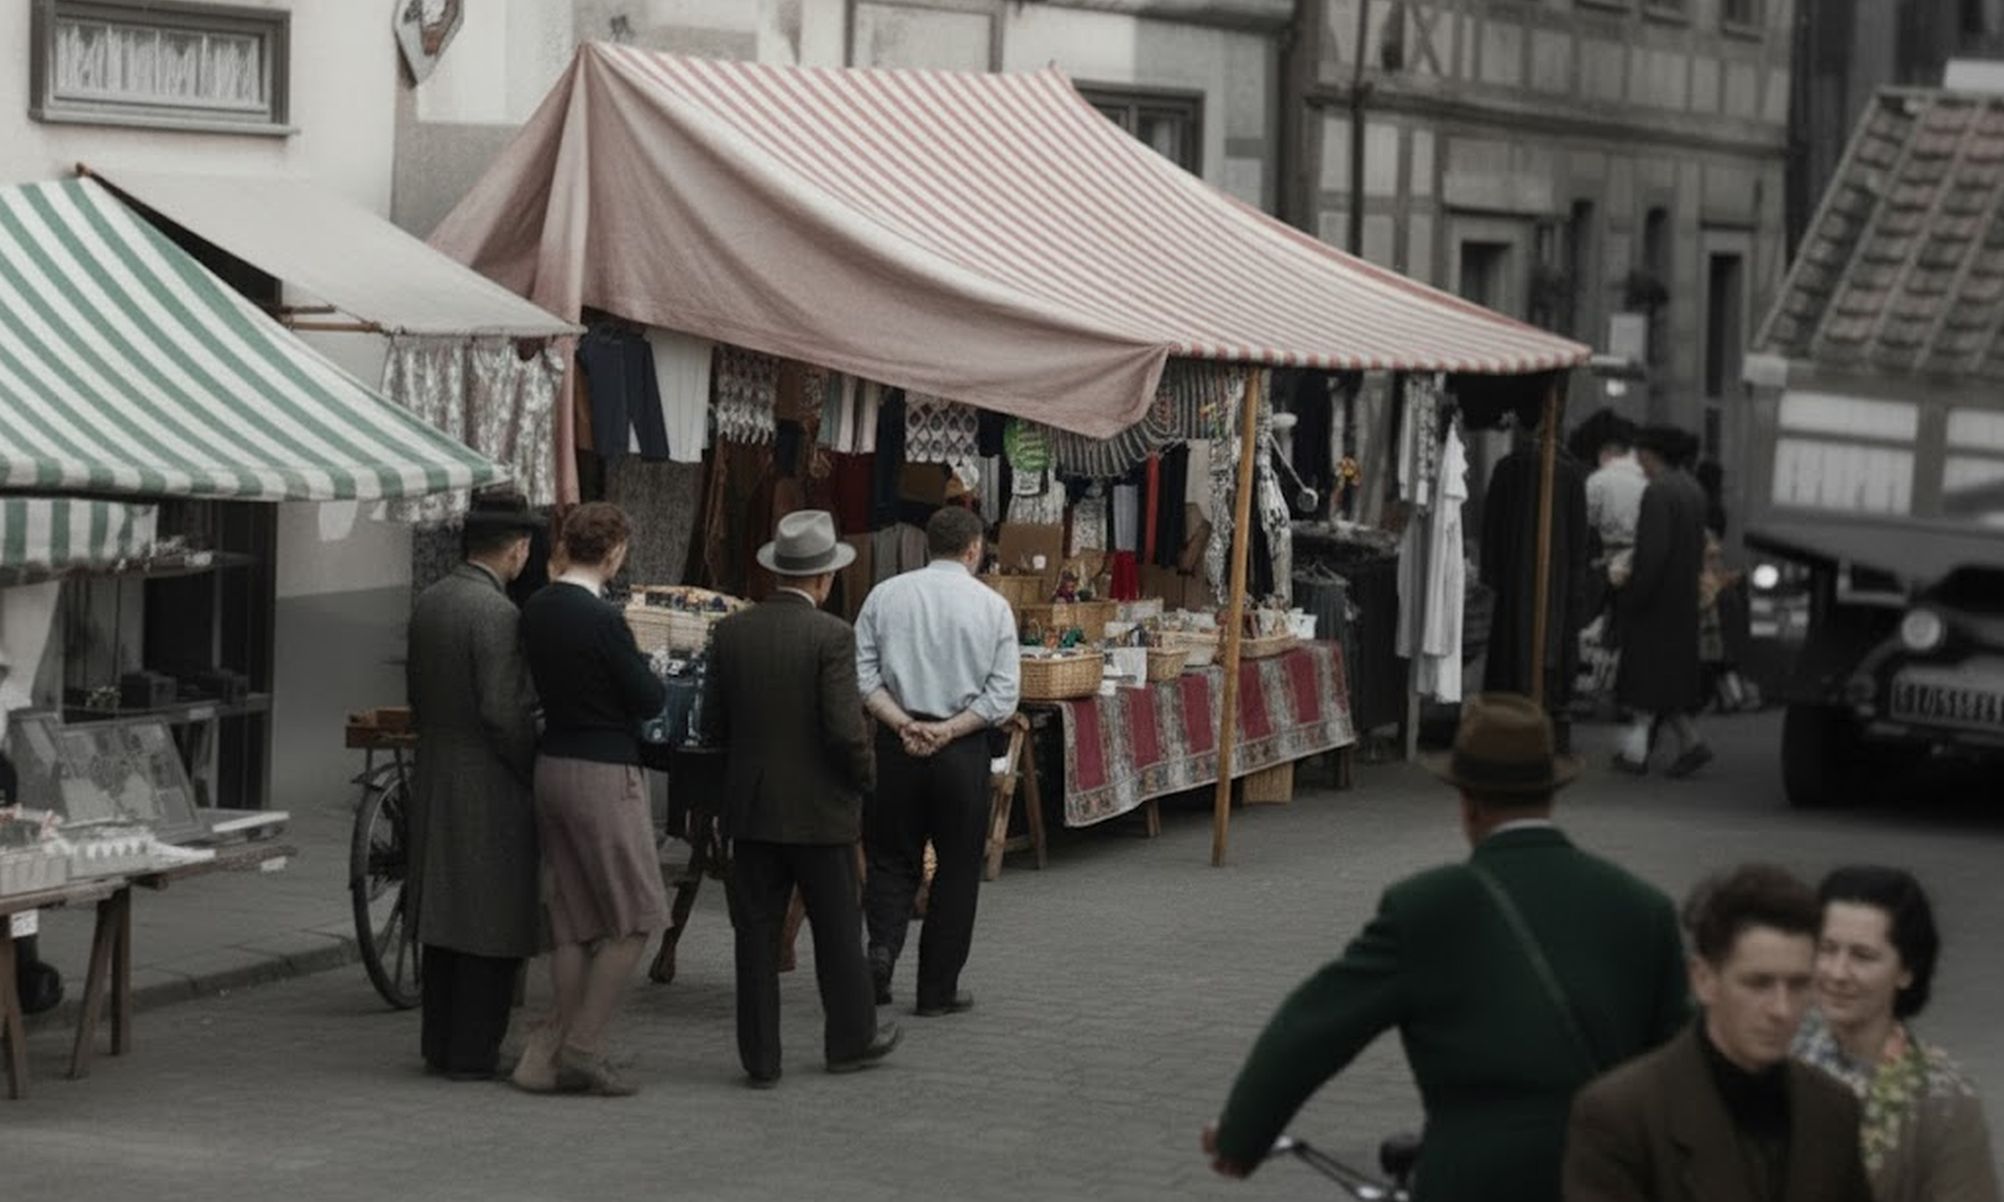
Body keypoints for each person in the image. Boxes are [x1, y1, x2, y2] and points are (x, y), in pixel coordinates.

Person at [1204, 694, 1690, 1200]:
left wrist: (1242, 1136)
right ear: (1552, 794)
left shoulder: (1427, 908)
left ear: (1468, 803)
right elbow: (1686, 1061)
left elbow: (1315, 1026)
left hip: (1475, 1178)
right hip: (1608, 1178)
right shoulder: (1644, 908)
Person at [704, 510, 902, 1088]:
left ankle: (760, 1057)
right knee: (838, 929)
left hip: (754, 807)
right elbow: (845, 731)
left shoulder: (731, 632)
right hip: (822, 809)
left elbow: (714, 723)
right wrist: (865, 777)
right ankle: (849, 1038)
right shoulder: (832, 637)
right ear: (824, 579)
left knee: (756, 936)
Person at [1563, 864, 1874, 1202]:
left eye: (1798, 985)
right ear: (1703, 980)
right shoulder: (1623, 1116)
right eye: (1758, 984)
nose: (1781, 1009)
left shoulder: (1833, 1108)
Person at [514, 503, 668, 1096]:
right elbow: (647, 697)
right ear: (614, 554)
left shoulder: (537, 608)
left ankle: (542, 1057)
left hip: (553, 763)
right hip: (604, 770)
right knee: (637, 916)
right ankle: (584, 1044)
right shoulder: (603, 620)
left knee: (574, 921)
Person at [854, 506, 1019, 1017]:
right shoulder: (993, 607)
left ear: (929, 545)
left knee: (889, 858)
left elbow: (862, 675)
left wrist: (902, 722)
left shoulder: (886, 595)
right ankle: (936, 990)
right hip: (960, 750)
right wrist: (947, 729)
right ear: (973, 549)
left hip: (896, 745)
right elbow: (1003, 695)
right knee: (956, 869)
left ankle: (880, 953)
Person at [404, 494, 542, 1081]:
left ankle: (439, 1042)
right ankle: (473, 1050)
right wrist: (529, 765)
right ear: (516, 549)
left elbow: (417, 689)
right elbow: (504, 710)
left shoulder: (431, 600)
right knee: (489, 915)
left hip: (436, 763)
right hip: (486, 776)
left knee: (442, 915)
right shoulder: (498, 614)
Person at [1794, 867, 2000, 1202]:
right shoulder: (1772, 1057)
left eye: (1863, 956)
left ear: (1906, 971)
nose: (1838, 972)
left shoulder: (1942, 1099)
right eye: (1827, 949)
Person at [1612, 426, 1711, 778]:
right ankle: (1690, 745)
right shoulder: (1693, 490)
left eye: (1640, 454)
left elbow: (1652, 554)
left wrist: (1633, 592)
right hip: (1682, 598)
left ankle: (1636, 754)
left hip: (1656, 601)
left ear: (1652, 454)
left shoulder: (1658, 493)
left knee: (1645, 681)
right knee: (1667, 683)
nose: (1638, 461)